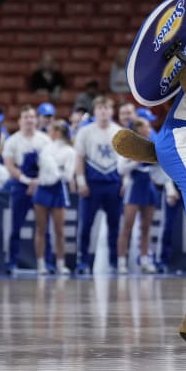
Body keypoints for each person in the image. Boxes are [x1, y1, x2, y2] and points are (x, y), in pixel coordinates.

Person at [74, 96, 123, 274]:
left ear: (112, 111)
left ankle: (114, 262)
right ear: (95, 111)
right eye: (100, 108)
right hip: (92, 184)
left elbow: (125, 161)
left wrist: (125, 182)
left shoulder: (119, 132)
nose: (103, 111)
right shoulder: (85, 132)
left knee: (114, 226)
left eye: (107, 108)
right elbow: (79, 158)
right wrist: (80, 181)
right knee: (85, 225)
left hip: (113, 183)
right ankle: (83, 262)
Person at [2, 106, 52, 274]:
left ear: (36, 119)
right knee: (16, 226)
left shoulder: (45, 140)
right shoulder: (12, 141)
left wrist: (38, 181)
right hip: (20, 186)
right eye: (25, 117)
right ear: (20, 121)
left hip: (42, 184)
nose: (29, 120)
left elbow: (51, 163)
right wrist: (26, 180)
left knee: (43, 226)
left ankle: (46, 263)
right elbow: (9, 165)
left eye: (31, 117)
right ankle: (12, 262)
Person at [117, 118, 159, 274]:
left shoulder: (152, 146)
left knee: (146, 227)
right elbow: (121, 170)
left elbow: (159, 169)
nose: (149, 129)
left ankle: (145, 260)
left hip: (148, 186)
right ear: (138, 130)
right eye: (146, 127)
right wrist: (136, 161)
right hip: (134, 187)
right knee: (127, 226)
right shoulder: (128, 146)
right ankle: (121, 262)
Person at [33, 120, 75, 275]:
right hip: (43, 189)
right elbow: (40, 169)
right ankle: (41, 264)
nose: (49, 132)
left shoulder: (69, 151)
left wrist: (56, 171)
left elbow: (68, 175)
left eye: (52, 130)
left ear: (58, 132)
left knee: (60, 230)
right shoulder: (45, 149)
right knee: (41, 229)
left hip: (58, 190)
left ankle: (60, 263)